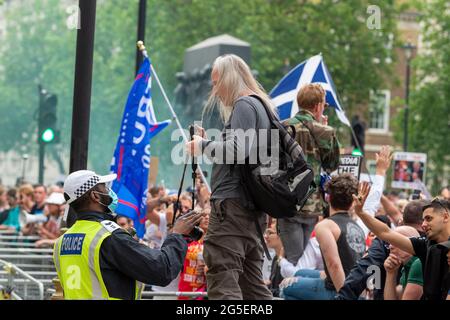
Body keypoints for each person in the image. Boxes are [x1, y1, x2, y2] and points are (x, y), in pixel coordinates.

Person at [186, 54, 273, 300]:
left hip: (231, 209)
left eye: (216, 82)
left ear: (229, 78)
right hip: (252, 209)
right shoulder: (262, 106)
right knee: (251, 285)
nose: (214, 90)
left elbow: (237, 151)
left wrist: (202, 145)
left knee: (222, 278)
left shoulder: (244, 105)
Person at [53, 170, 204, 300]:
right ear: (95, 196)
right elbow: (162, 270)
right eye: (104, 187)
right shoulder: (108, 236)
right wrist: (177, 234)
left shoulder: (62, 241)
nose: (109, 191)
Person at [278, 83, 340, 264]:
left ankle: (290, 288)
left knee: (293, 259)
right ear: (317, 106)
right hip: (312, 204)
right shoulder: (325, 132)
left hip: (286, 201)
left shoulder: (282, 127)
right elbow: (332, 165)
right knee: (304, 260)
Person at [353, 184, 450, 300]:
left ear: (445, 217)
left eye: (429, 219)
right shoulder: (425, 245)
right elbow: (386, 233)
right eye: (423, 219)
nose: (423, 224)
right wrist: (361, 213)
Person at [280, 174, 366, 300]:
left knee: (285, 287)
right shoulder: (357, 227)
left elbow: (334, 265)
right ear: (352, 202)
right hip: (356, 288)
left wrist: (344, 296)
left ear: (328, 198)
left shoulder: (325, 226)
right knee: (300, 273)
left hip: (340, 291)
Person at [383, 226, 423, 300]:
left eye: (395, 242)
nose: (391, 247)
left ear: (411, 244)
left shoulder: (419, 263)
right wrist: (390, 273)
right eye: (389, 243)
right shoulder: (406, 266)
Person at [178, 209, 210, 300]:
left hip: (205, 290)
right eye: (203, 215)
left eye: (210, 215)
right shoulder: (187, 238)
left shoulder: (216, 242)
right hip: (185, 287)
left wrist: (207, 268)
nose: (207, 217)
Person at [264, 226, 284, 298]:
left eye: (270, 233)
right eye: (266, 233)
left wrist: (263, 288)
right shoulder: (275, 259)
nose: (266, 236)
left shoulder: (289, 261)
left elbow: (284, 291)